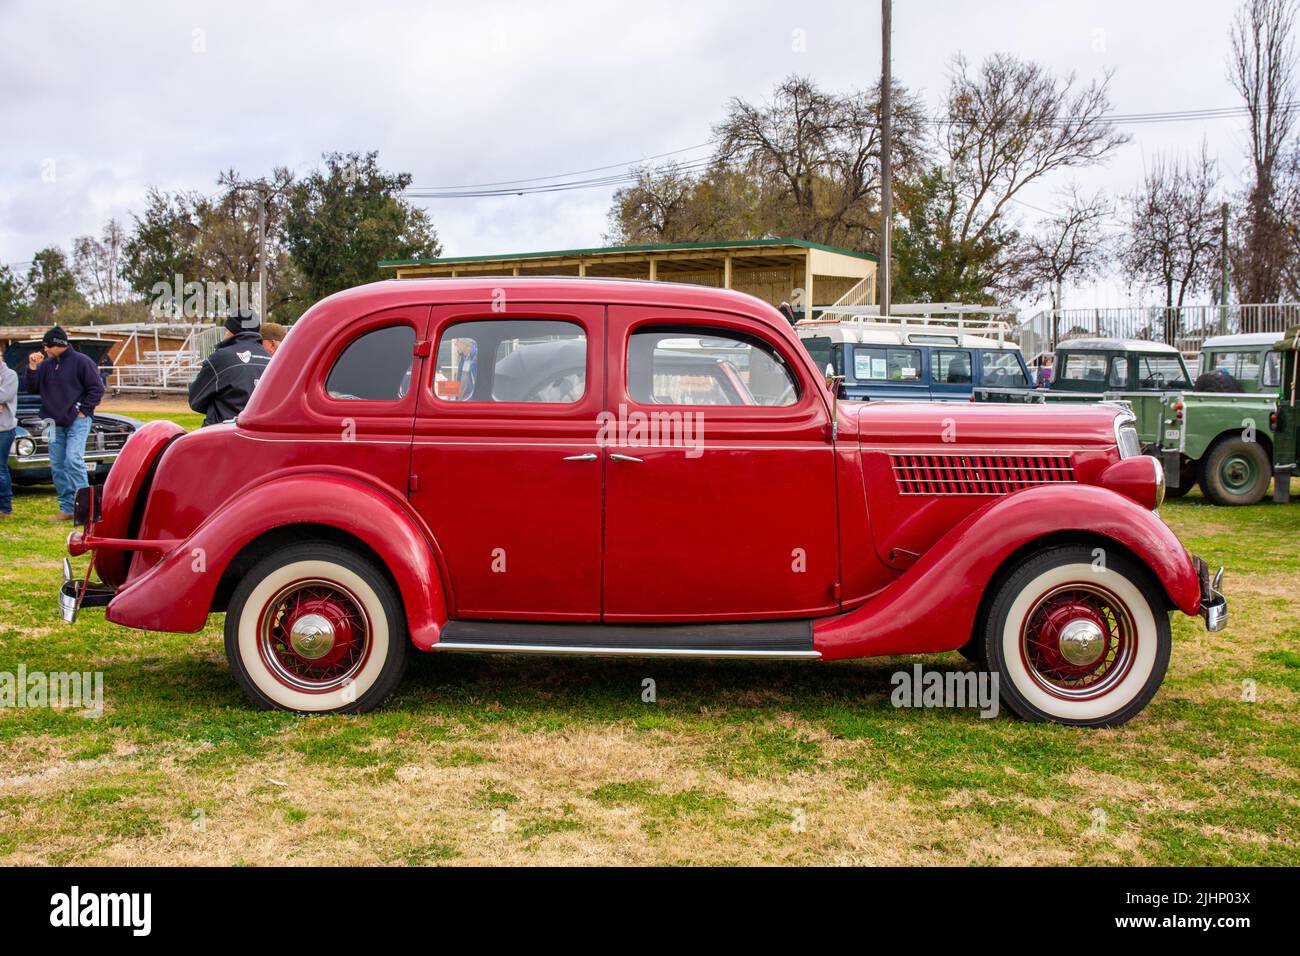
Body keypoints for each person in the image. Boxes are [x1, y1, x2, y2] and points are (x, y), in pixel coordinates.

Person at [25, 326, 105, 521]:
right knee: (57, 465)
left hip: (77, 421)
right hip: (52, 422)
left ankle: (86, 511)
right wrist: (32, 368)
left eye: (47, 345)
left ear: (57, 344)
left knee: (73, 460)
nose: (44, 349)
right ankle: (67, 508)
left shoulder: (81, 362)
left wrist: (84, 411)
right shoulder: (45, 365)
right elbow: (32, 388)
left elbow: (97, 389)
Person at [188, 308, 271, 426]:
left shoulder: (221, 358)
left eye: (226, 330)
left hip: (224, 435)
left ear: (232, 330)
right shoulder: (271, 359)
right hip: (260, 435)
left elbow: (195, 399)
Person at [0, 358, 17, 519]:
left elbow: (4, 395)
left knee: (0, 468)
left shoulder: (10, 375)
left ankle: (5, 508)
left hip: (4, 429)